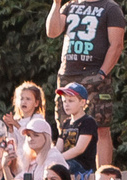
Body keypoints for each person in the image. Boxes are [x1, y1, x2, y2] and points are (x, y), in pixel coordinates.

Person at [52, 0, 127, 168]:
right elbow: (52, 32)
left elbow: (116, 45)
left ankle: (103, 175)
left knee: (101, 126)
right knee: (66, 126)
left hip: (94, 74)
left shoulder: (110, 8)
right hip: (68, 74)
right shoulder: (70, 5)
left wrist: (102, 73)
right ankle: (67, 171)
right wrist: (56, 4)